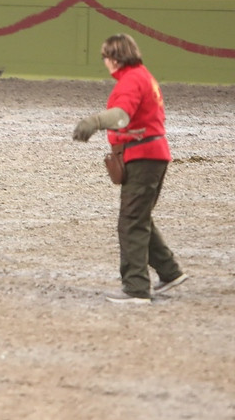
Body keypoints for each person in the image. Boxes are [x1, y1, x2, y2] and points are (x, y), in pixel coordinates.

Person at [71, 33, 188, 304]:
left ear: (114, 57)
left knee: (131, 222)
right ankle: (170, 272)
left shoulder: (130, 81)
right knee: (140, 216)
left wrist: (94, 121)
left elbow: (122, 116)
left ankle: (136, 288)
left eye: (105, 57)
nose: (105, 62)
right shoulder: (143, 76)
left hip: (142, 156)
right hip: (152, 154)